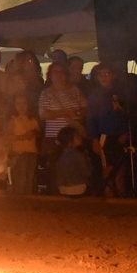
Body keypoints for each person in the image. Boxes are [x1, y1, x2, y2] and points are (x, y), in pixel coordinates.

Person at [38, 62, 87, 194]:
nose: (59, 75)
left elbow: (85, 108)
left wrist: (78, 115)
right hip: (54, 140)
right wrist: (65, 112)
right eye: (55, 72)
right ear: (51, 75)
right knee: (55, 171)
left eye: (61, 72)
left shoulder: (75, 91)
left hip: (74, 139)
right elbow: (43, 115)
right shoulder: (46, 94)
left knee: (75, 169)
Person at [86, 64, 133, 196]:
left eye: (107, 74)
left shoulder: (121, 94)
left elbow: (128, 114)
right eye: (101, 75)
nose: (104, 77)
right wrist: (94, 139)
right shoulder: (95, 96)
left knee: (121, 170)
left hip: (121, 136)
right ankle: (110, 200)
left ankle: (120, 200)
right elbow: (91, 119)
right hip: (105, 136)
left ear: (114, 75)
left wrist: (126, 132)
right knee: (108, 170)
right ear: (97, 78)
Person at [7, 93, 40, 195]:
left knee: (30, 180)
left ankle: (29, 203)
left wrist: (34, 133)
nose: (21, 107)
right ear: (14, 106)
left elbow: (39, 133)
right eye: (18, 104)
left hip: (32, 154)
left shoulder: (33, 120)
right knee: (20, 180)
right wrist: (23, 137)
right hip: (19, 154)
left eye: (24, 103)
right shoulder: (13, 120)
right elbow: (8, 137)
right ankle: (19, 204)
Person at [54, 125, 91, 197]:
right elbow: (87, 173)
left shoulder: (58, 154)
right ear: (70, 141)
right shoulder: (78, 154)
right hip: (78, 189)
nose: (80, 138)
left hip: (62, 188)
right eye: (77, 137)